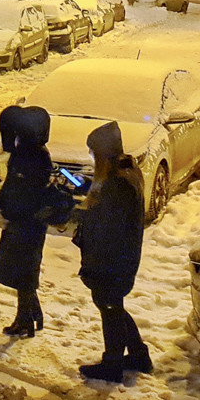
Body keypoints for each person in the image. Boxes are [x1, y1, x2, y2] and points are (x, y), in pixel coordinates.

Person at [74, 122, 152, 383]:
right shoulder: (125, 174)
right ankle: (139, 355)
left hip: (111, 261)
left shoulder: (116, 185)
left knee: (110, 308)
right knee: (113, 306)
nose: (93, 159)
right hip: (122, 258)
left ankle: (113, 365)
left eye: (94, 154)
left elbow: (106, 226)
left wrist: (84, 212)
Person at [0, 106, 52, 337]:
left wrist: (7, 211)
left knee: (24, 271)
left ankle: (26, 319)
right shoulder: (28, 152)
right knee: (22, 270)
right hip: (24, 221)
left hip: (28, 222)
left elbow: (24, 190)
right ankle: (29, 314)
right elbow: (12, 185)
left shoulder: (34, 156)